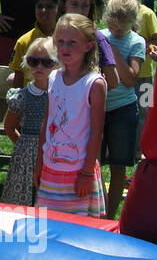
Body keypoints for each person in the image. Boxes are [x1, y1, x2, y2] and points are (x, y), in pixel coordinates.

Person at [35, 14, 107, 218]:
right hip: (51, 167)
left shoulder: (94, 84)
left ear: (88, 45)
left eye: (72, 42)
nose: (65, 48)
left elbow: (96, 132)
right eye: (60, 42)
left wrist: (86, 172)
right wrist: (40, 161)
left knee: (78, 229)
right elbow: (47, 122)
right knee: (48, 226)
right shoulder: (53, 78)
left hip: (78, 171)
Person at [99, 0, 145, 218]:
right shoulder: (100, 36)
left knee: (118, 166)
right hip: (97, 108)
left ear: (131, 24)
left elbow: (129, 79)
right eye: (112, 26)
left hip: (123, 110)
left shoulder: (136, 41)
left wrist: (113, 51)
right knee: (92, 164)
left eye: (120, 29)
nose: (114, 32)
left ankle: (108, 216)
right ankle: (91, 211)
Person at [104, 0, 157, 152]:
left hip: (144, 75)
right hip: (120, 78)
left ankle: (142, 147)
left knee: (146, 110)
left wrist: (148, 47)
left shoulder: (147, 13)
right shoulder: (111, 23)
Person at [2, 35, 56, 207]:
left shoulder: (59, 94)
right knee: (24, 195)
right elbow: (9, 126)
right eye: (34, 61)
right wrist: (24, 144)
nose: (39, 66)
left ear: (57, 64)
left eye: (46, 62)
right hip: (26, 153)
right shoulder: (23, 95)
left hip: (53, 151)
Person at [6, 0, 61, 88]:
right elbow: (18, 77)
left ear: (60, 9)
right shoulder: (24, 41)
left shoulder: (65, 39)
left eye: (50, 7)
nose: (44, 10)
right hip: (31, 97)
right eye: (39, 6)